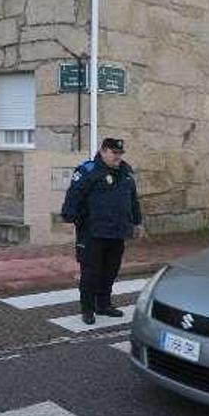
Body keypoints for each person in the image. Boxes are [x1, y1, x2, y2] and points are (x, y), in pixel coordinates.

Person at [61, 138, 145, 325]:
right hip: (93, 232)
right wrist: (69, 218)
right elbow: (74, 195)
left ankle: (104, 304)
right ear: (104, 151)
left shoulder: (126, 172)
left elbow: (133, 200)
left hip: (117, 231)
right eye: (114, 153)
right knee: (90, 272)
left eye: (120, 154)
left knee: (110, 271)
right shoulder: (88, 170)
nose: (118, 157)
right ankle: (88, 309)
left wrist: (137, 222)